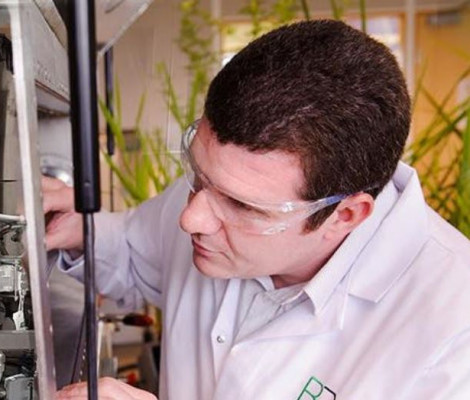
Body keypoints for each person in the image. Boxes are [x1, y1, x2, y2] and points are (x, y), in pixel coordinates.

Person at [49, 19, 470, 400]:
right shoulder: (228, 184)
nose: (190, 218)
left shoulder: (453, 330)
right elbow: (131, 249)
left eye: (241, 205)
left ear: (345, 215)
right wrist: (76, 228)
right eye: (198, 172)